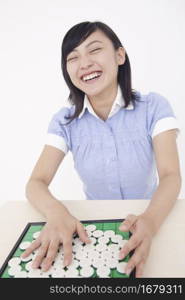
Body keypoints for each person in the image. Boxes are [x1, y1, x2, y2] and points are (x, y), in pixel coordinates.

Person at [22, 21, 181, 277]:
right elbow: (36, 182)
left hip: (155, 217)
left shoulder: (154, 107)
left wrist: (150, 221)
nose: (84, 63)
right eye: (73, 57)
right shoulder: (65, 121)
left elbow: (171, 175)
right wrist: (56, 212)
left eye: (94, 50)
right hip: (94, 228)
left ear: (120, 55)